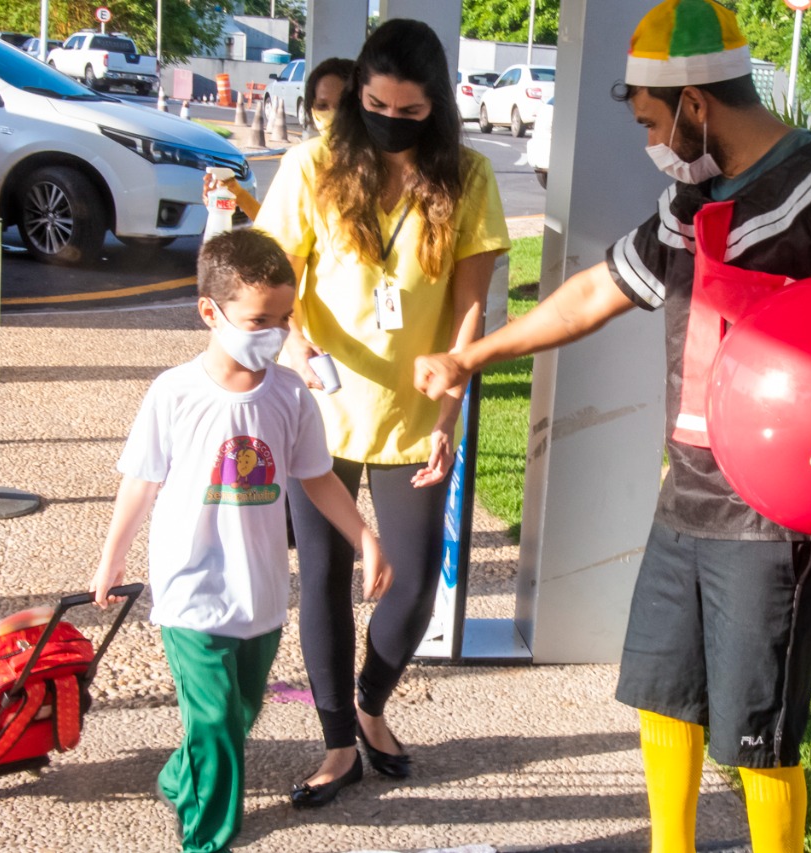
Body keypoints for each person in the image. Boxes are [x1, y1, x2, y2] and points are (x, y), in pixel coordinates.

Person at [414, 1, 811, 850]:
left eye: (652, 119)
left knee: (757, 725)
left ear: (696, 105)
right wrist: (473, 357)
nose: (650, 137)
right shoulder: (692, 201)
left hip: (775, 515)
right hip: (686, 491)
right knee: (661, 690)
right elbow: (594, 294)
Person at [254, 18, 510, 807]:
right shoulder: (313, 165)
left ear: (436, 108)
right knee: (326, 579)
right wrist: (294, 346)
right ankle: (337, 743)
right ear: (357, 92)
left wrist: (453, 398)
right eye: (375, 105)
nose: (390, 124)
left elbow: (472, 300)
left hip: (416, 413)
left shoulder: (467, 176)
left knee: (412, 586)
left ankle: (370, 703)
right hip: (320, 412)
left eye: (409, 112)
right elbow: (275, 274)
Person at [88, 228, 392, 853]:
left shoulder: (290, 396)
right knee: (216, 720)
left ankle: (180, 776)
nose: (275, 333)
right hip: (190, 588)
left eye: (284, 318)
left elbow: (316, 479)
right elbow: (140, 483)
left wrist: (365, 536)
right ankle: (206, 836)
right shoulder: (173, 393)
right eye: (259, 319)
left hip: (259, 593)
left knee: (239, 713)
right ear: (211, 310)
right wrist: (111, 559)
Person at [202, 58, 356, 221]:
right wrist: (236, 193)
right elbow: (274, 227)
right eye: (322, 106)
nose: (332, 114)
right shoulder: (307, 163)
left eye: (342, 105)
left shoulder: (303, 159)